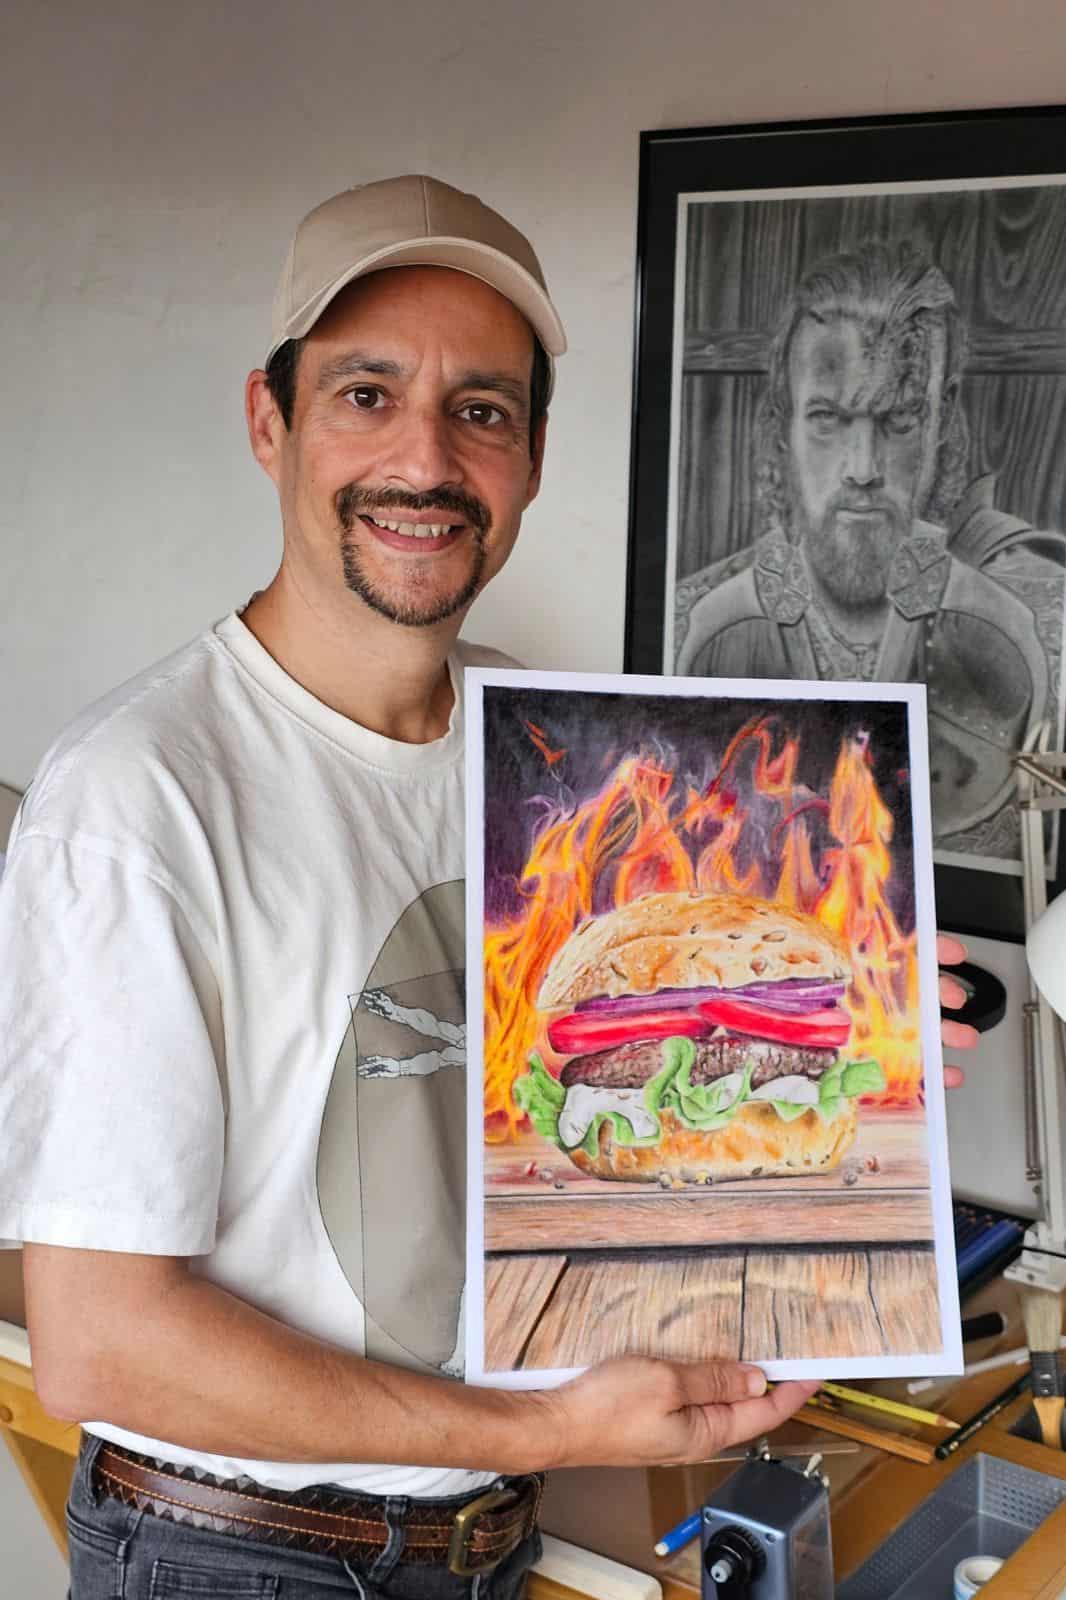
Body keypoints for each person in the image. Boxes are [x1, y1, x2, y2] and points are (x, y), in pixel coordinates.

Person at [0, 179, 974, 1599]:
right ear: (270, 422)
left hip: (483, 1533)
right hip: (231, 1556)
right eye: (365, 395)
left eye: (480, 410)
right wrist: (547, 1430)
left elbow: (589, 1102)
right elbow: (102, 1344)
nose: (425, 458)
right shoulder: (136, 798)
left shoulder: (542, 743)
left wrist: (835, 1029)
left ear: (527, 459)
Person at [675, 239, 1057, 845]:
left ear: (941, 417)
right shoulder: (693, 629)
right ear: (784, 420)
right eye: (827, 418)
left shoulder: (1034, 633)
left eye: (899, 419)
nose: (862, 468)